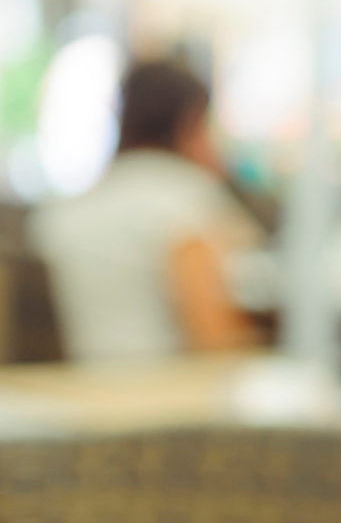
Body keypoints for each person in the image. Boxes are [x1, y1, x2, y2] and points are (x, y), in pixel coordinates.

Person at [30, 60, 260, 361]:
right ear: (189, 122)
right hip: (173, 394)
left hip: (87, 391)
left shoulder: (73, 208)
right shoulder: (186, 200)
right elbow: (214, 338)